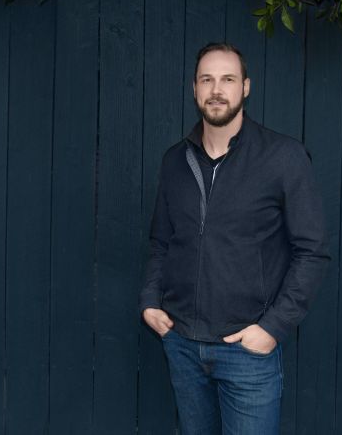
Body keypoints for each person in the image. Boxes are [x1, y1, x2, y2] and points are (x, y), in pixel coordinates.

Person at [139, 42, 331, 435]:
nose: (216, 90)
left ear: (245, 87)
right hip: (182, 344)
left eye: (227, 79)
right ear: (194, 89)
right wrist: (150, 301)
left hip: (247, 351)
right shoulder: (175, 160)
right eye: (206, 79)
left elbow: (312, 251)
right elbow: (161, 241)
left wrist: (273, 327)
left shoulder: (282, 157)